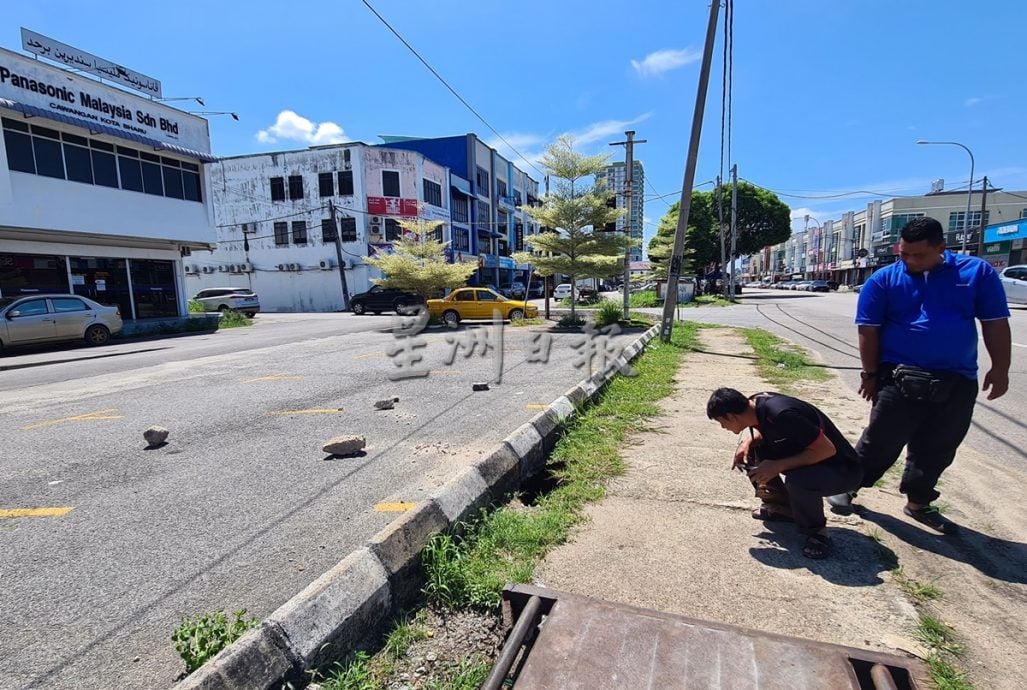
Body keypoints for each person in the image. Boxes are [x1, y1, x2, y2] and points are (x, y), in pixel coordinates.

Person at [828, 217, 1011, 533]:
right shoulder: (883, 280)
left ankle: (919, 502)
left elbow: (995, 322)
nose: (910, 261)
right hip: (899, 376)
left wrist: (1001, 368)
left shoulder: (975, 273)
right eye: (904, 254)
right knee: (881, 439)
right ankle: (845, 487)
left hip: (957, 378)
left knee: (939, 445)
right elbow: (868, 331)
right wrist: (870, 375)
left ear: (942, 248)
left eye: (919, 255)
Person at [707, 388, 863, 559]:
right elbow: (769, 431)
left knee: (799, 481)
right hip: (813, 459)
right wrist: (748, 443)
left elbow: (827, 450)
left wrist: (777, 466)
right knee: (749, 454)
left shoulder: (782, 414)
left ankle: (818, 533)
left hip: (841, 469)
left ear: (731, 416)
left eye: (721, 422)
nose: (723, 427)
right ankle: (784, 509)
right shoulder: (755, 405)